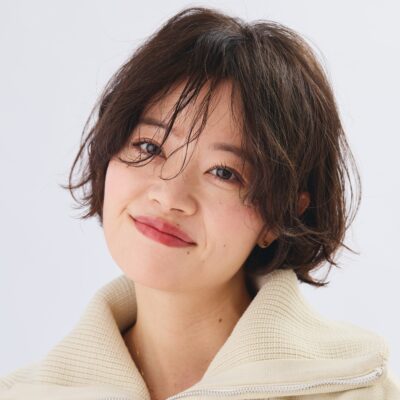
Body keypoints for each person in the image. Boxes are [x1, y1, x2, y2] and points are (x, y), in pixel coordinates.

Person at [1, 6, 399, 400]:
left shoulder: (360, 392)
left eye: (224, 172)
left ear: (279, 215)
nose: (169, 197)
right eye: (149, 146)